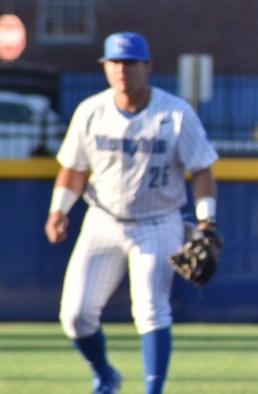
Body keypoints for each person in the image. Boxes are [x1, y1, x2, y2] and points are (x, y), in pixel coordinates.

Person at [44, 32, 220, 394]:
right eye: (114, 63)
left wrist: (207, 221)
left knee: (151, 309)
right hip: (103, 220)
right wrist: (58, 209)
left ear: (148, 66)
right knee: (76, 316)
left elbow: (201, 169)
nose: (121, 70)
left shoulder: (175, 113)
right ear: (105, 67)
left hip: (159, 222)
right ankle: (106, 374)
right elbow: (75, 168)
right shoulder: (91, 111)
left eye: (129, 62)